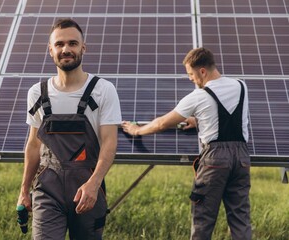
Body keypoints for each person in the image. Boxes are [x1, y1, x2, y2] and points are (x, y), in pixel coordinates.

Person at [122, 47, 251, 240]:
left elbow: (162, 123)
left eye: (191, 74)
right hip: (241, 158)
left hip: (215, 160)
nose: (190, 78)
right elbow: (230, 116)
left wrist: (137, 130)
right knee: (240, 218)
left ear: (202, 72)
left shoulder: (198, 96)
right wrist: (198, 119)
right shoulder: (241, 86)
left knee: (203, 220)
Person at [17, 18, 122, 240]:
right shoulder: (37, 93)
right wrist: (24, 190)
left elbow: (109, 143)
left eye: (73, 43)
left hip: (87, 189)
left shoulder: (103, 90)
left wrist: (93, 184)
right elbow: (34, 144)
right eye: (60, 44)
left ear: (83, 48)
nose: (66, 49)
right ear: (50, 50)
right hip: (47, 189)